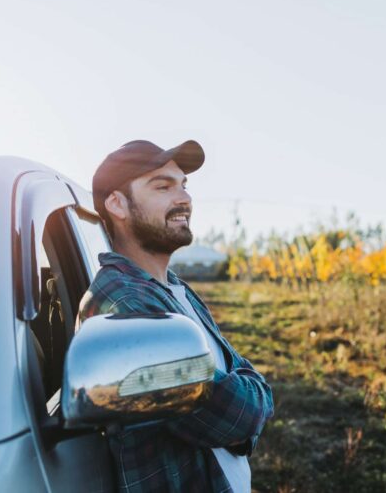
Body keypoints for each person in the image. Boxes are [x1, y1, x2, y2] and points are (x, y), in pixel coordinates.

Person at [78, 140, 274, 493]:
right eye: (163, 186)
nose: (184, 199)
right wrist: (256, 391)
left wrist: (246, 389)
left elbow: (232, 375)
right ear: (117, 203)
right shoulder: (122, 305)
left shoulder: (173, 289)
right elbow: (233, 416)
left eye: (183, 185)